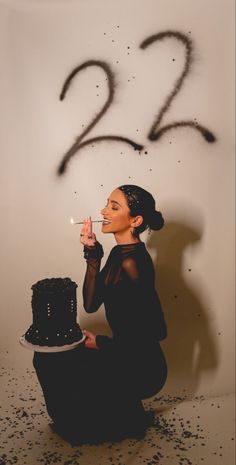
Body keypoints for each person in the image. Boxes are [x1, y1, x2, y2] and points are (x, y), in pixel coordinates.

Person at [33, 184, 167, 445]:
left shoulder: (133, 264)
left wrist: (102, 344)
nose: (103, 211)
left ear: (135, 221)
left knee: (54, 363)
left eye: (114, 207)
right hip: (124, 352)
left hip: (142, 366)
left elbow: (149, 332)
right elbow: (92, 303)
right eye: (107, 204)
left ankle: (92, 426)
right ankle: (90, 420)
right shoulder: (120, 253)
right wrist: (93, 253)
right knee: (47, 356)